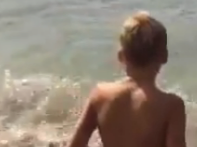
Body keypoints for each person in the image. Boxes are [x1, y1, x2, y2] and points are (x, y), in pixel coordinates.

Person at [67, 11, 187, 147]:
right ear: (164, 56)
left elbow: (76, 143)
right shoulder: (171, 106)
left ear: (121, 56)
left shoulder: (100, 94)